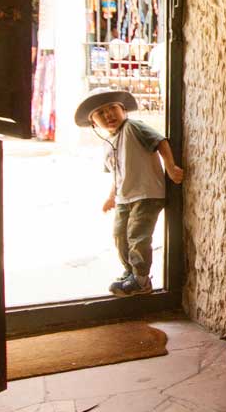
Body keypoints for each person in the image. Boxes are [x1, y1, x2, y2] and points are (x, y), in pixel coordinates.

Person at [74, 87, 184, 296]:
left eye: (112, 108)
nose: (108, 115)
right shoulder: (108, 144)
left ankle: (141, 279)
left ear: (123, 110)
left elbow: (160, 141)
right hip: (124, 198)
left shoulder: (133, 127)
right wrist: (110, 197)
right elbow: (117, 174)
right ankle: (131, 272)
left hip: (146, 193)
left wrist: (170, 166)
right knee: (119, 235)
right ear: (93, 123)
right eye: (100, 113)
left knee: (138, 236)